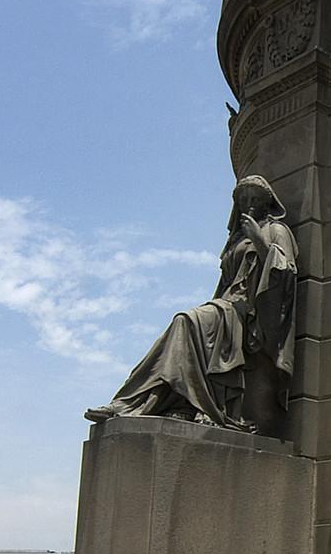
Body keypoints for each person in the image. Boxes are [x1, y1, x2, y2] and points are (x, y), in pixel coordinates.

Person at [92, 175, 297, 431]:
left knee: (185, 321)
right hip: (226, 305)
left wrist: (258, 239)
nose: (250, 204)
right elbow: (225, 285)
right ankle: (152, 403)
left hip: (252, 310)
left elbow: (286, 272)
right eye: (244, 200)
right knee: (188, 327)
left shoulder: (276, 231)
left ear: (267, 202)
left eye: (255, 199)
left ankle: (136, 402)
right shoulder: (235, 239)